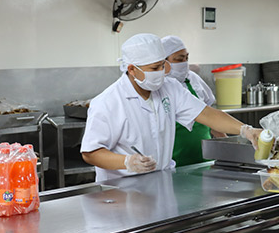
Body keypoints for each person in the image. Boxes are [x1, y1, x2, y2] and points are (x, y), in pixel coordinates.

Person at [81, 33, 259, 182]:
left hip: (161, 181)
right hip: (121, 189)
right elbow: (91, 153)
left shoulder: (170, 87)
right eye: (154, 68)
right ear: (132, 69)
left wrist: (245, 130)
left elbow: (207, 114)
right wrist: (127, 161)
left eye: (162, 65)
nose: (161, 72)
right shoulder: (108, 102)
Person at [161, 35, 226, 167]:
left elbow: (210, 116)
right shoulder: (158, 87)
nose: (184, 62)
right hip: (175, 165)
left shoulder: (193, 79)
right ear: (164, 62)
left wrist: (228, 144)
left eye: (186, 58)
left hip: (206, 161)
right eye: (179, 59)